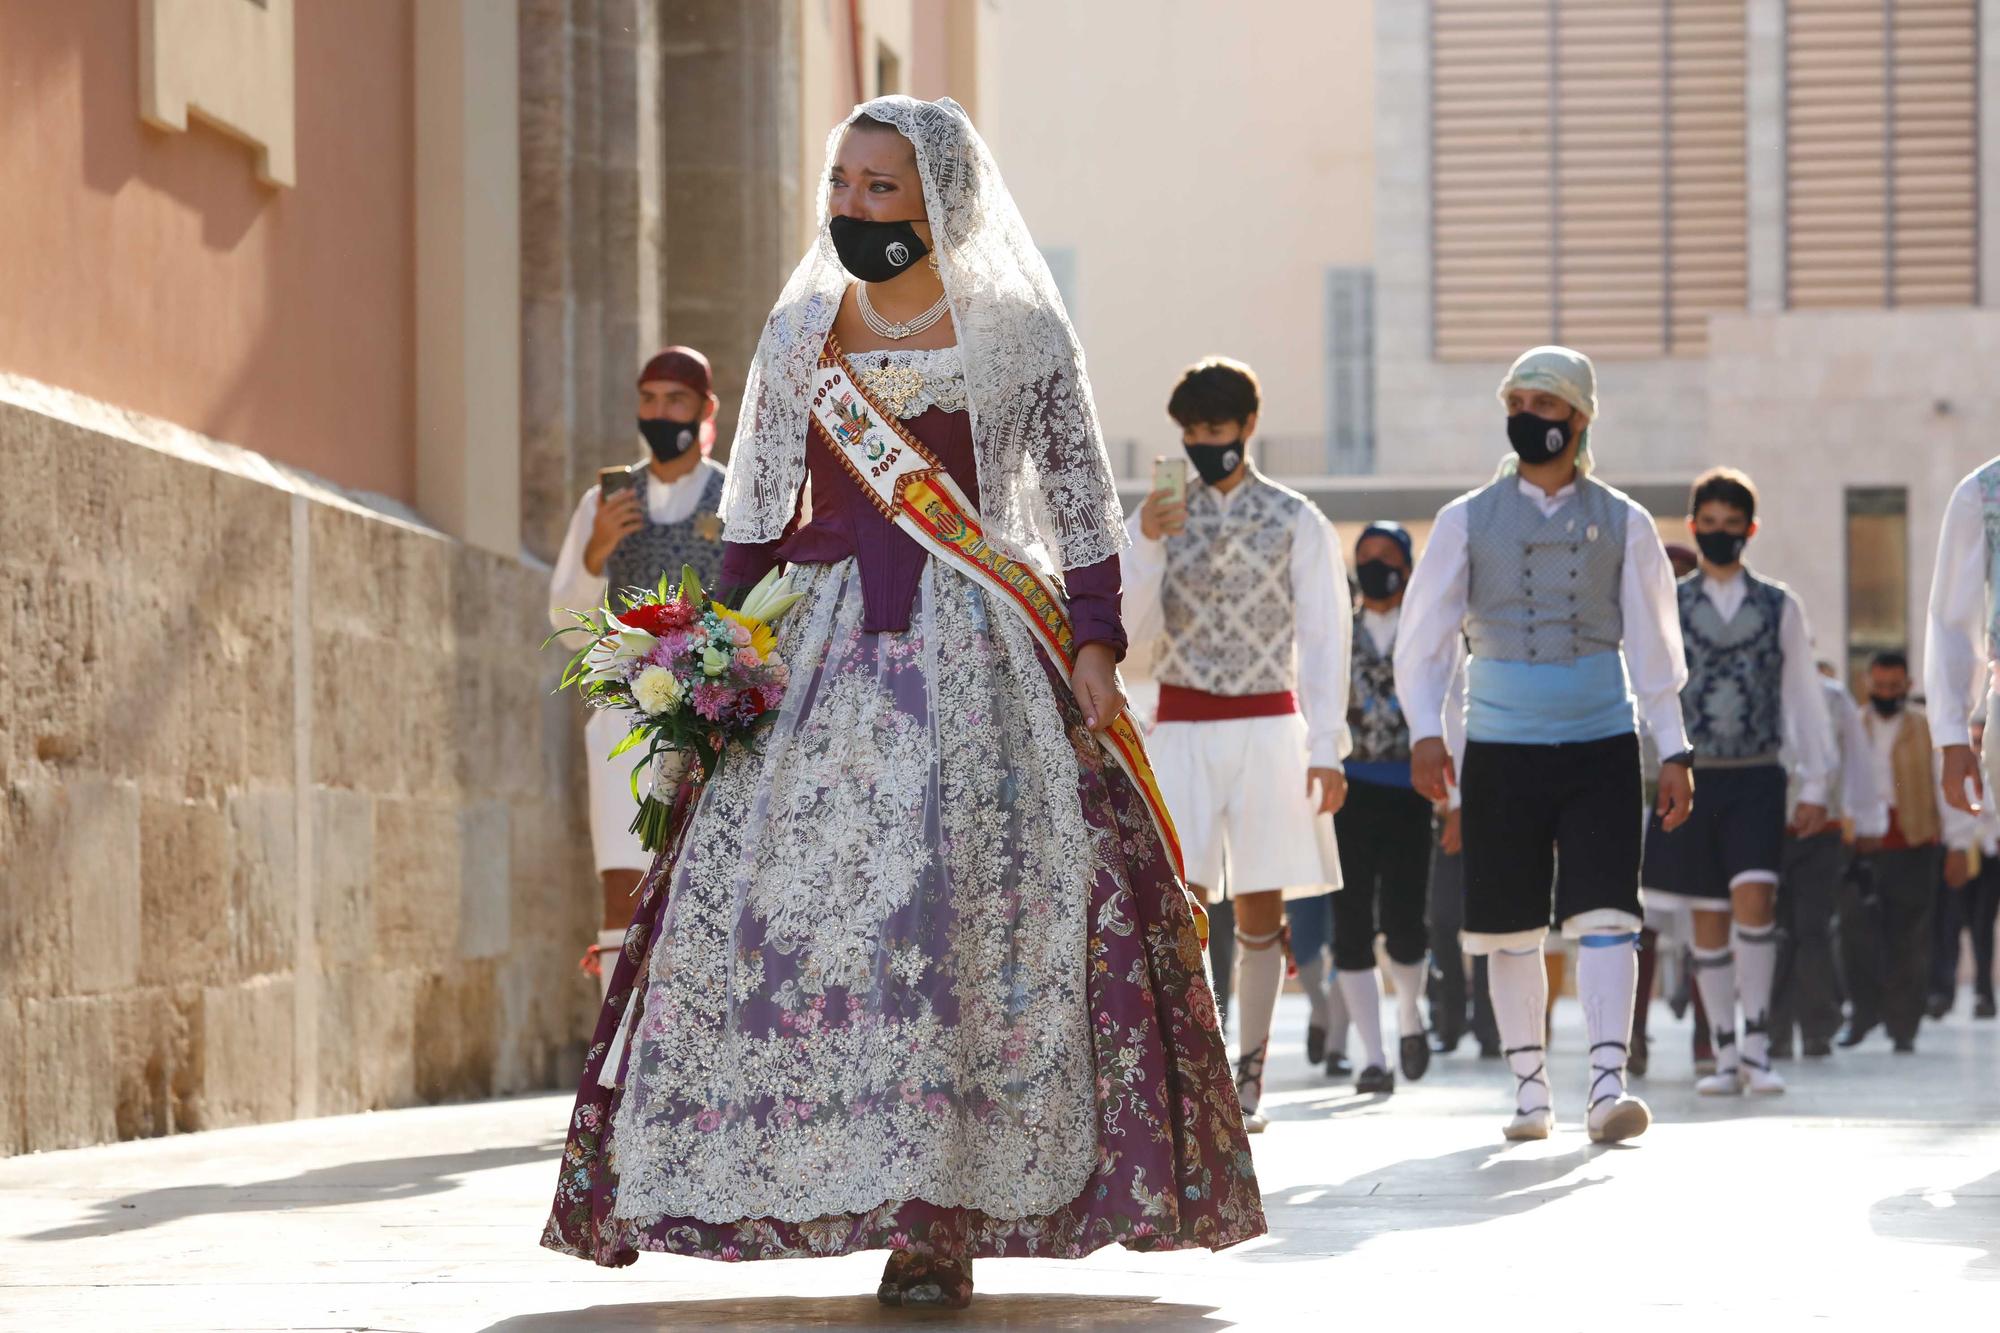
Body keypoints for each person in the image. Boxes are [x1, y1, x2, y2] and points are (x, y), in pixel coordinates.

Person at [539, 96, 1263, 1305]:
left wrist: (1094, 638)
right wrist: (711, 651)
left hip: (979, 648)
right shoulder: (799, 333)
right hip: (817, 652)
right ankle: (828, 1171)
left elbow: (1077, 499)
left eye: (880, 188)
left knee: (969, 911)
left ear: (940, 205)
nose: (852, 206)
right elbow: (755, 512)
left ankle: (942, 1212)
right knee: (797, 915)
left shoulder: (1018, 332)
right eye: (841, 183)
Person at [1397, 345, 1691, 1145]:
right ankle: (1530, 1091)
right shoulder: (1465, 519)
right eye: (1517, 403)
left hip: (1602, 742)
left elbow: (1655, 646)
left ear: (1580, 417)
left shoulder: (1625, 521)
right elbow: (1424, 639)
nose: (1528, 418)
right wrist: (1426, 732)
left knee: (1609, 911)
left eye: (1545, 404)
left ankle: (1607, 1086)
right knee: (1508, 922)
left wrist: (1674, 748)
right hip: (1500, 747)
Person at [1126, 356, 1351, 1121]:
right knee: (1179, 901)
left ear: (1248, 426)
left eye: (1216, 428)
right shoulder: (1158, 514)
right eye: (1191, 431)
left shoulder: (1297, 517)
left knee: (1260, 900)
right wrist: (1147, 543)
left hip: (1268, 722)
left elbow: (1325, 636)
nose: (1203, 442)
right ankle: (1196, 1069)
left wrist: (1328, 745)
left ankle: (1250, 1075)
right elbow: (1126, 631)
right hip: (1182, 723)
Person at [1638, 469, 1836, 1097]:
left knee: (1756, 899)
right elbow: (1652, 688)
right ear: (1692, 526)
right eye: (1709, 523)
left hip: (1756, 775)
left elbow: (1803, 695)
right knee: (1707, 914)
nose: (1719, 533)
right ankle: (1724, 1054)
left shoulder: (1780, 605)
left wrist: (1816, 783)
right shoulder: (1668, 603)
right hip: (1692, 777)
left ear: (1751, 529)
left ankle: (1757, 1046)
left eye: (1731, 524)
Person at [547, 347, 727, 997]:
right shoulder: (604, 501)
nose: (660, 412)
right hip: (623, 722)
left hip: (713, 720)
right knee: (622, 884)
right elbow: (568, 627)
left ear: (705, 409)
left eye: (675, 400)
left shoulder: (736, 496)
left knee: (701, 884)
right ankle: (613, 1044)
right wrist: (597, 550)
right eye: (649, 398)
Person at [1333, 521, 1433, 1089]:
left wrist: (1454, 799)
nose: (1375, 564)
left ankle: (1411, 1015)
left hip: (1409, 790)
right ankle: (1373, 1057)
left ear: (1407, 566)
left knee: (1404, 920)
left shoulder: (1427, 630)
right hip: (1348, 790)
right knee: (1349, 922)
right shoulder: (1336, 631)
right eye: (1365, 554)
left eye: (1387, 555)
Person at [1840, 652, 1969, 1053]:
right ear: (1867, 684)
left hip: (1913, 844)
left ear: (1908, 685)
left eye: (1894, 687)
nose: (1886, 693)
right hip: (1861, 846)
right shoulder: (1851, 725)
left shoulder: (1926, 728)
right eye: (1879, 686)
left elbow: (1946, 789)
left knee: (1910, 938)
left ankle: (1903, 1025)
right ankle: (1863, 1013)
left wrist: (1959, 844)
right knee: (1854, 933)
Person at [1769, 661, 1887, 1058]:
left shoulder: (1835, 698)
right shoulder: (1758, 692)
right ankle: (1774, 1029)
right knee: (1774, 933)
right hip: (1766, 831)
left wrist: (1868, 821)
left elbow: (1859, 763)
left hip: (1823, 832)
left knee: (1813, 929)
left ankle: (1817, 1027)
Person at [1929, 719, 2000, 1019]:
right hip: (1959, 854)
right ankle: (1943, 992)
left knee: (1982, 927)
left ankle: (1984, 994)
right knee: (1951, 923)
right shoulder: (1953, 770)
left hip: (1989, 856)